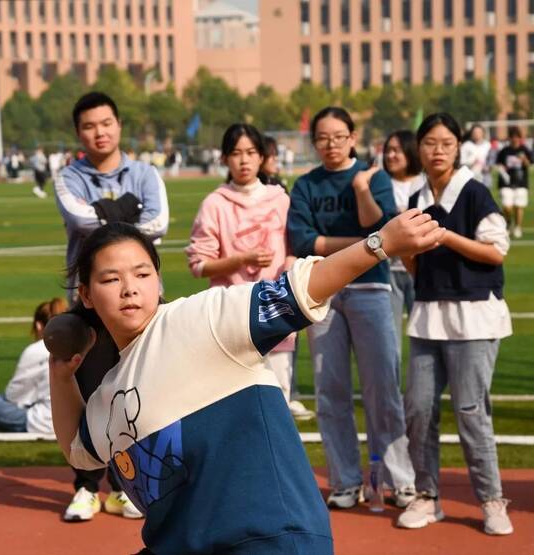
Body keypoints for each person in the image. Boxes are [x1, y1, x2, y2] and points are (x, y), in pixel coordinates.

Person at [49, 211, 443, 554]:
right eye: (110, 279)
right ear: (85, 294)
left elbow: (302, 288)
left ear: (159, 282)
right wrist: (59, 372)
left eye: (142, 273)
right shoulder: (107, 398)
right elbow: (78, 450)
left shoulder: (204, 319)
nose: (129, 288)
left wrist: (381, 243)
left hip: (268, 540)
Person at [286, 106, 416, 510]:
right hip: (322, 293)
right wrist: (366, 245)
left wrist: (361, 192)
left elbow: (381, 228)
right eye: (322, 138)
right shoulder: (306, 185)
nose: (330, 144)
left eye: (339, 136)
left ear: (353, 137)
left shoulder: (373, 179)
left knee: (383, 389)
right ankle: (345, 481)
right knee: (330, 391)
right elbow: (302, 242)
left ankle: (399, 479)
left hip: (370, 291)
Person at [54, 91, 169, 522]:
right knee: (87, 391)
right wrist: (128, 214)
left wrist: (108, 215)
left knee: (139, 390)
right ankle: (85, 486)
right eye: (89, 126)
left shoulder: (146, 172)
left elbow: (160, 222)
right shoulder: (68, 177)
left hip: (140, 301)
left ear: (119, 125)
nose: (99, 132)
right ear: (79, 133)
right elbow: (79, 218)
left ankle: (126, 486)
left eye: (106, 123)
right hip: (87, 304)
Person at [398, 112, 514, 536]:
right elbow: (411, 263)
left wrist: (446, 237)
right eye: (429, 143)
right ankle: (427, 495)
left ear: (458, 146)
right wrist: (411, 256)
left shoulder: (476, 194)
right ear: (419, 147)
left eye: (446, 143)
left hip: (474, 317)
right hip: (429, 316)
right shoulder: (415, 200)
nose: (438, 150)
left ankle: (490, 499)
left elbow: (496, 251)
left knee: (470, 411)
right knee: (419, 409)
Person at [185, 123, 312, 421]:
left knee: (277, 395)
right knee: (233, 400)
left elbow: (296, 245)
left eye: (251, 152)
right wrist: (241, 259)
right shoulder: (214, 204)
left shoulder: (280, 199)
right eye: (236, 153)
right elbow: (199, 265)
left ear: (262, 157)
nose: (244, 161)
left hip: (275, 309)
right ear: (224, 159)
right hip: (230, 314)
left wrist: (290, 263)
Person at [0, 298, 68, 433]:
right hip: (77, 418)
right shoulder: (79, 344)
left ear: (38, 326)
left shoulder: (36, 350)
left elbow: (13, 396)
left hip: (45, 421)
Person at [383, 129, 424, 362]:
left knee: (425, 336)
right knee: (389, 339)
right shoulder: (381, 183)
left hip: (421, 269)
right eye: (388, 150)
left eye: (396, 150)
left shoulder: (425, 183)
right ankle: (392, 394)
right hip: (388, 270)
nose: (391, 155)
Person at [496, 126, 533, 239]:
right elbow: (499, 164)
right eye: (513, 137)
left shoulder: (525, 149)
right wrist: (503, 170)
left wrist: (524, 160)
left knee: (519, 206)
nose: (515, 139)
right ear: (510, 138)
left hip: (521, 182)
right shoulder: (504, 151)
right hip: (506, 183)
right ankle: (508, 223)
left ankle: (518, 227)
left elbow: (529, 165)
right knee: (507, 206)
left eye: (517, 137)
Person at [461, 124, 492, 188]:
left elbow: (491, 160)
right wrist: (472, 162)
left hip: (484, 176)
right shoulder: (466, 145)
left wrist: (488, 167)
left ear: (483, 133)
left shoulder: (488, 145)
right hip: (469, 176)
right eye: (475, 132)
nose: (477, 134)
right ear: (471, 133)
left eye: (479, 132)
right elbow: (461, 162)